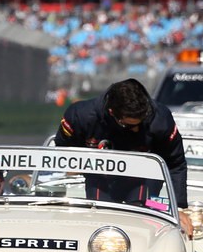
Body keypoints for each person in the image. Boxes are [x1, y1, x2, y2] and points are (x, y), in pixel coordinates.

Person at [51, 78, 193, 234]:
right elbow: (63, 150)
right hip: (100, 181)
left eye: (141, 122)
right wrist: (76, 165)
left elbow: (175, 163)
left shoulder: (160, 119)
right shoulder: (81, 115)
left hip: (145, 183)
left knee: (148, 221)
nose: (136, 130)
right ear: (112, 113)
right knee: (101, 221)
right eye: (130, 125)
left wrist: (178, 207)